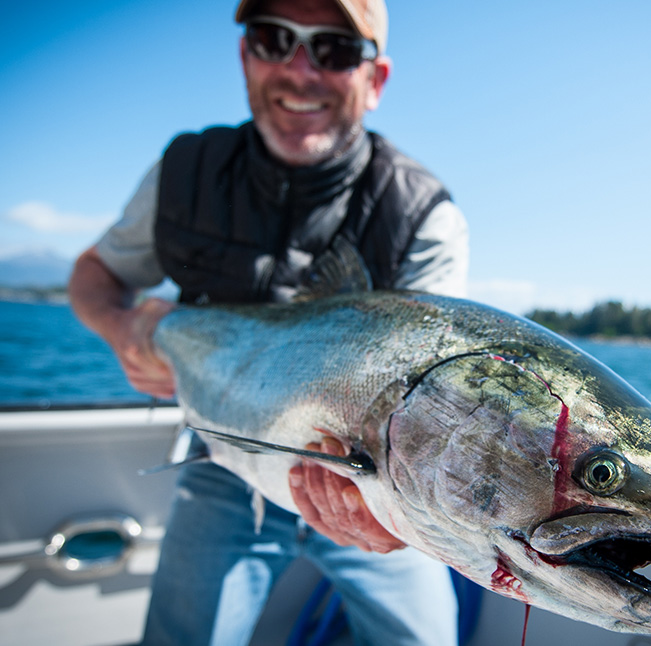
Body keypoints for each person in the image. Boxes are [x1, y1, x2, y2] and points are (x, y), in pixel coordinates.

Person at [68, 0, 468, 644]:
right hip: (224, 460)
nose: (299, 69)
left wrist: (397, 518)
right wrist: (122, 329)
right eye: (273, 38)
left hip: (371, 490)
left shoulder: (424, 215)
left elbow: (435, 404)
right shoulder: (183, 173)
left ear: (376, 81)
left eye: (334, 50)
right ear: (244, 56)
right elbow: (95, 274)